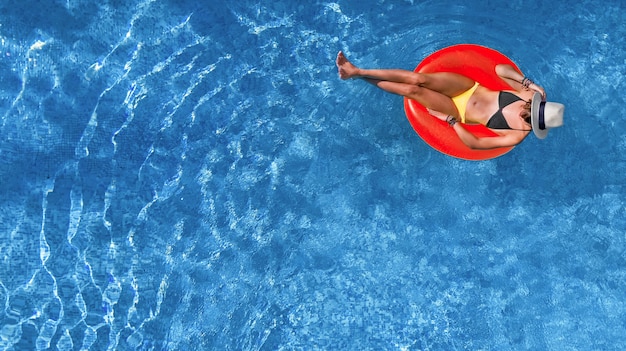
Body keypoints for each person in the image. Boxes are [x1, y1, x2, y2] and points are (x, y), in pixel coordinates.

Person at [335, 51, 564, 149]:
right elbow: (501, 69)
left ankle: (358, 76)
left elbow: (476, 144)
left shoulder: (516, 135)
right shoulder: (527, 95)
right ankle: (356, 71)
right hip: (469, 88)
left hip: (458, 110)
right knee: (418, 78)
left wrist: (451, 122)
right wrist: (527, 81)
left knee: (413, 91)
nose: (530, 111)